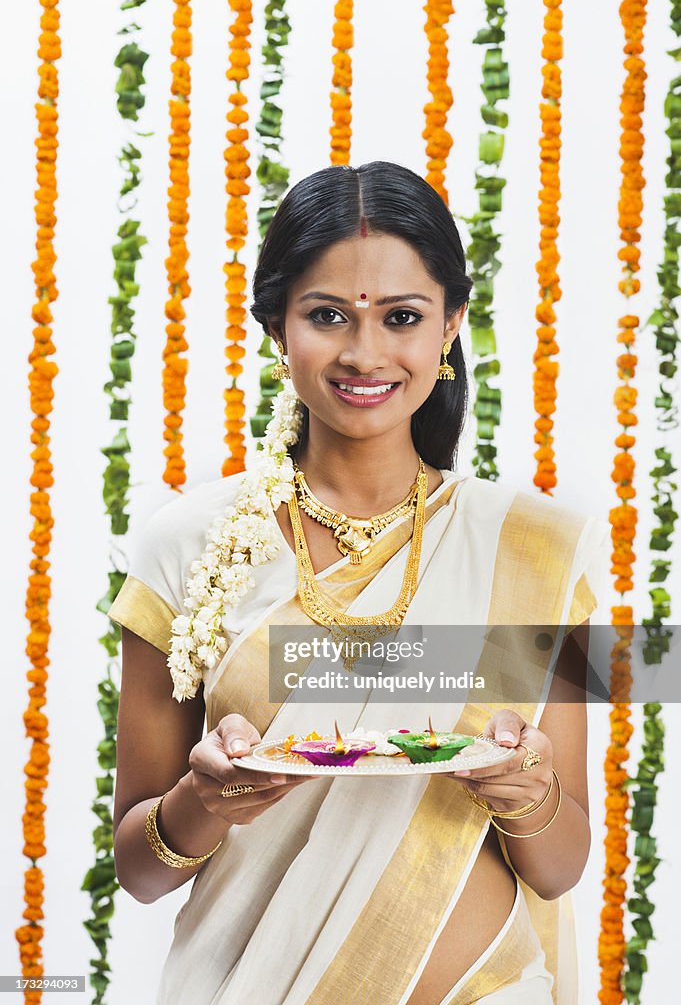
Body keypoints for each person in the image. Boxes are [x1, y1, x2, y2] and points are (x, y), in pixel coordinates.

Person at [108, 161, 609, 1005]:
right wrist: (206, 798)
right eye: (327, 315)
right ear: (276, 325)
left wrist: (527, 792)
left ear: (449, 325)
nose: (363, 352)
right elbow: (138, 870)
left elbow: (560, 866)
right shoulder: (186, 543)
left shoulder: (536, 546)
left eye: (401, 317)